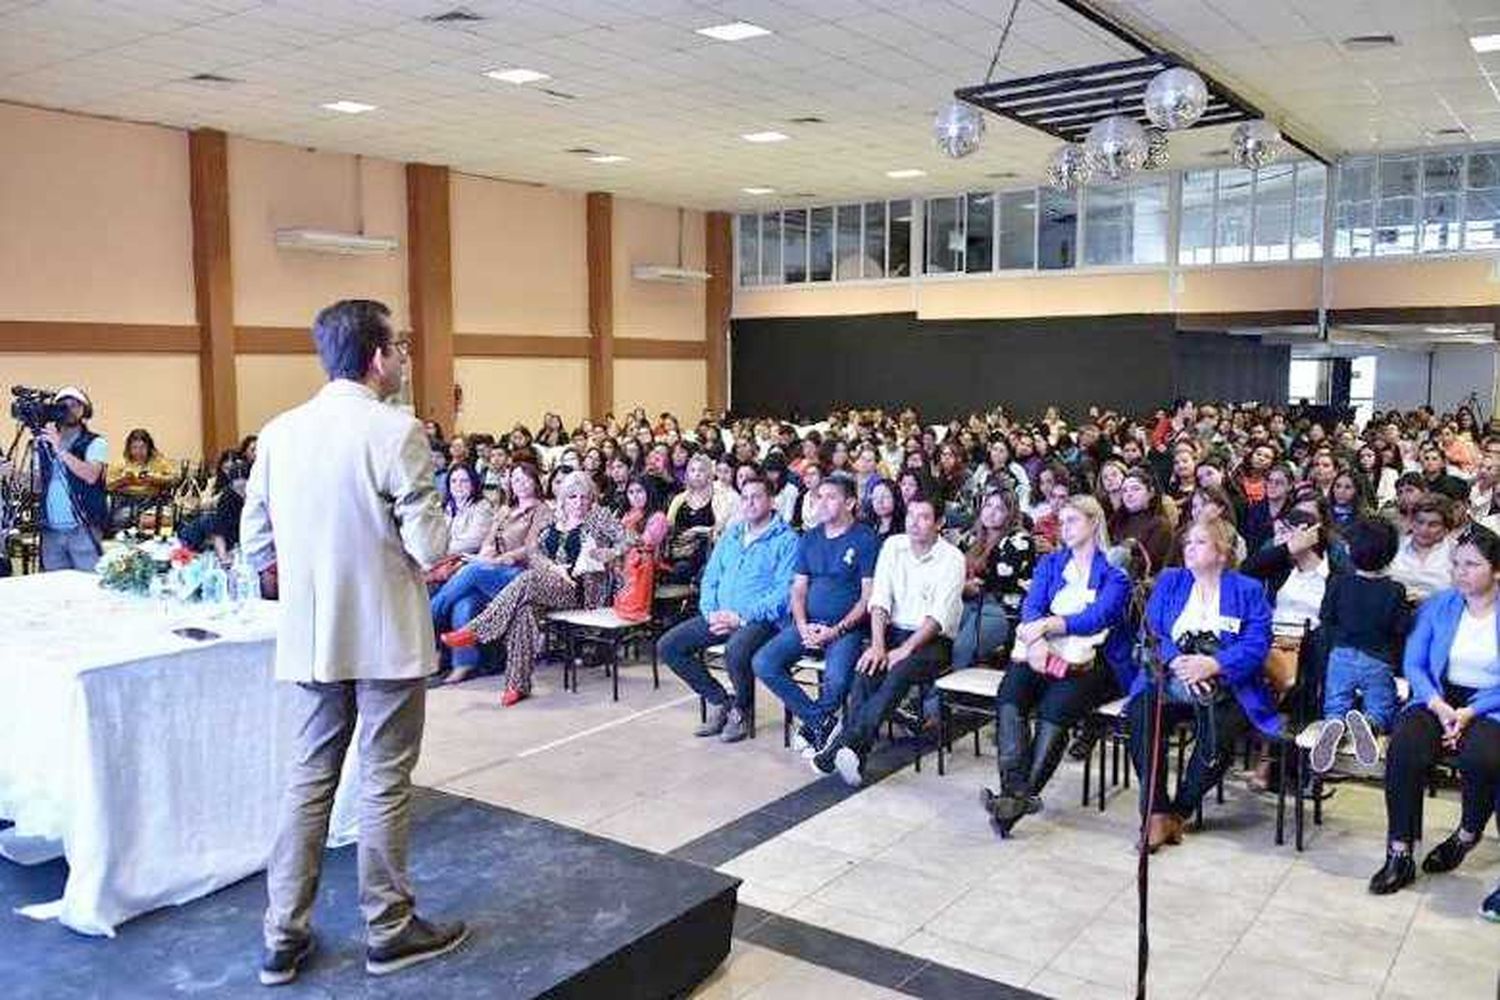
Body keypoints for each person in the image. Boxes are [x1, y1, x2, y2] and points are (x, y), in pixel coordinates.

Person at [240, 299, 466, 985]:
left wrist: (304, 584)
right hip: (385, 636)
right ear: (376, 357)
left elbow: (256, 538)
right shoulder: (395, 431)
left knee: (309, 780)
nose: (401, 358)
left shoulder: (280, 432)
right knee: (383, 780)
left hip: (312, 637)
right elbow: (429, 545)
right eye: (396, 346)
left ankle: (282, 933)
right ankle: (390, 928)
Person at [980, 495, 1132, 835]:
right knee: (1011, 694)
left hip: (1094, 662)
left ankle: (1012, 801)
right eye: (1062, 522)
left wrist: (1047, 627)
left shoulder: (1114, 574)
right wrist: (1035, 642)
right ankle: (1018, 795)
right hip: (1040, 651)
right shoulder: (1051, 564)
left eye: (1073, 521)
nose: (1064, 528)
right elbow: (1031, 606)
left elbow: (1097, 618)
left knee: (1055, 708)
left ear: (1094, 523)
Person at [1370, 525, 1500, 920]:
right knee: (1405, 748)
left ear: (1497, 571)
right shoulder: (1439, 605)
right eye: (1456, 564)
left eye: (1472, 565)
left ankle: (1466, 835)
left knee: (1483, 758)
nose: (1460, 572)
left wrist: (1469, 713)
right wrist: (1438, 704)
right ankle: (1400, 851)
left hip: (1489, 703)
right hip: (1438, 695)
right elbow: (1415, 662)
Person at [1128, 520, 1275, 851]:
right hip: (1170, 678)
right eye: (1187, 542)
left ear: (1222, 553)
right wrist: (1178, 661)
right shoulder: (1170, 581)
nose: (1189, 547)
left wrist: (1214, 664)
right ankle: (1155, 812)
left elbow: (1257, 642)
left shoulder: (1248, 590)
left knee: (1220, 733)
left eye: (1200, 542)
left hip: (1227, 684)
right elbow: (1151, 631)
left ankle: (1178, 812)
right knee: (1141, 715)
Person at [811, 493, 965, 788]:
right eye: (911, 516)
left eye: (924, 518)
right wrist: (879, 645)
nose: (915, 524)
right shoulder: (893, 546)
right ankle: (855, 753)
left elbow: (938, 616)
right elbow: (880, 598)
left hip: (932, 640)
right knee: (865, 671)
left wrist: (905, 650)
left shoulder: (951, 558)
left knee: (898, 673)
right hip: (892, 632)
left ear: (939, 523)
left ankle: (845, 744)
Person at [442, 471, 626, 705]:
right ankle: (516, 685)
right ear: (563, 499)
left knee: (527, 580)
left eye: (584, 497)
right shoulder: (554, 520)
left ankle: (477, 631)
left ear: (592, 499)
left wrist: (611, 552)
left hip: (580, 591)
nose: (578, 502)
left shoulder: (599, 519)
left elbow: (631, 539)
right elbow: (535, 553)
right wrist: (552, 567)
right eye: (572, 497)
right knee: (523, 612)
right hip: (551, 584)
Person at [659, 474, 798, 742]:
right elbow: (710, 577)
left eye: (756, 497)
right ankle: (719, 699)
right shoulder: (732, 534)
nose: (750, 503)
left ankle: (742, 710)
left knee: (736, 651)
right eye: (745, 498)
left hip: (760, 621)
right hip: (720, 614)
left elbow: (784, 593)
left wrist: (741, 617)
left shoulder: (787, 540)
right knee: (669, 646)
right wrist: (711, 612)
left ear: (771, 501)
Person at [752, 473, 879, 754]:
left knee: (837, 680)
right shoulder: (810, 538)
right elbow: (797, 590)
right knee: (763, 662)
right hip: (807, 624)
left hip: (846, 628)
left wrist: (836, 631)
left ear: (850, 503)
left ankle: (815, 727)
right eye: (820, 496)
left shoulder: (865, 538)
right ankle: (821, 722)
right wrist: (802, 625)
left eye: (831, 497)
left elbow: (868, 596)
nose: (822, 503)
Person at [428, 463, 550, 685]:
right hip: (492, 571)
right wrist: (486, 553)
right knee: (464, 603)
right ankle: (464, 663)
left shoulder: (542, 510)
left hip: (521, 574)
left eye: (525, 479)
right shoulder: (505, 510)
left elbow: (533, 547)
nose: (520, 484)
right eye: (515, 480)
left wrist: (499, 560)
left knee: (473, 570)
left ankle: (427, 620)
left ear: (535, 482)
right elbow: (488, 540)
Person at [1309, 518, 1410, 772]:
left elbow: (1325, 618)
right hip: (1377, 657)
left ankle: (1335, 724)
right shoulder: (1395, 590)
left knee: (1336, 700)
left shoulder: (1337, 582)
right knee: (1381, 704)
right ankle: (1371, 723)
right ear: (1391, 554)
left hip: (1341, 654)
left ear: (1350, 551)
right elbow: (1400, 629)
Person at [951, 484, 1035, 670]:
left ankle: (943, 696)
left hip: (1002, 609)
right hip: (969, 601)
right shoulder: (972, 538)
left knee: (962, 648)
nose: (991, 512)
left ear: (1010, 515)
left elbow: (997, 583)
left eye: (999, 509)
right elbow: (954, 569)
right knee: (939, 635)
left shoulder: (1019, 541)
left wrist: (964, 586)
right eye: (988, 506)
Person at [34, 385, 108, 571]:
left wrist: (60, 448)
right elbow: (36, 485)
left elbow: (91, 475)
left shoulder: (95, 442)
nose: (69, 409)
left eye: (75, 405)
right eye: (63, 405)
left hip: (83, 528)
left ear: (85, 410)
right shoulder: (45, 442)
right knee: (54, 589)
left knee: (88, 588)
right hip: (51, 530)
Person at [1389, 493, 1458, 602]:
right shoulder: (1395, 547)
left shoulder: (1457, 552)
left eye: (1433, 524)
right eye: (1420, 522)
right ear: (1411, 522)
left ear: (1446, 528)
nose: (1424, 529)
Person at [106, 428, 178, 531]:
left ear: (149, 448)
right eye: (134, 448)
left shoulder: (158, 461)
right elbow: (107, 486)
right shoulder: (120, 462)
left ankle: (142, 523)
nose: (138, 452)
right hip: (125, 500)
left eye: (142, 447)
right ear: (129, 448)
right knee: (119, 519)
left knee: (163, 519)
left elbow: (175, 479)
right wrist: (123, 481)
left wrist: (155, 479)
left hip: (151, 500)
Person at [440, 463, 494, 557]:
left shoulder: (482, 506)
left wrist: (442, 551)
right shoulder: (444, 506)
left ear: (473, 484)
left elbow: (475, 540)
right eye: (453, 481)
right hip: (442, 556)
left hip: (465, 559)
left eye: (464, 481)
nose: (458, 485)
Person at [862, 476, 905, 543]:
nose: (879, 501)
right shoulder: (867, 527)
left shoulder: (904, 527)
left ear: (895, 497)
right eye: (875, 497)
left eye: (885, 496)